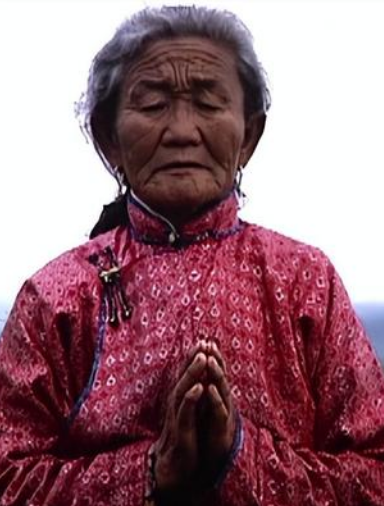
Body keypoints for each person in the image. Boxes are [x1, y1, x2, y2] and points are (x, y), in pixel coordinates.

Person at [0, 5, 383, 506]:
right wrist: (152, 471)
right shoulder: (56, 297)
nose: (182, 130)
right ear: (109, 137)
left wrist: (238, 457)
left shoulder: (305, 281)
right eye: (154, 104)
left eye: (207, 103)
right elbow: (9, 479)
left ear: (248, 135)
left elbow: (374, 475)